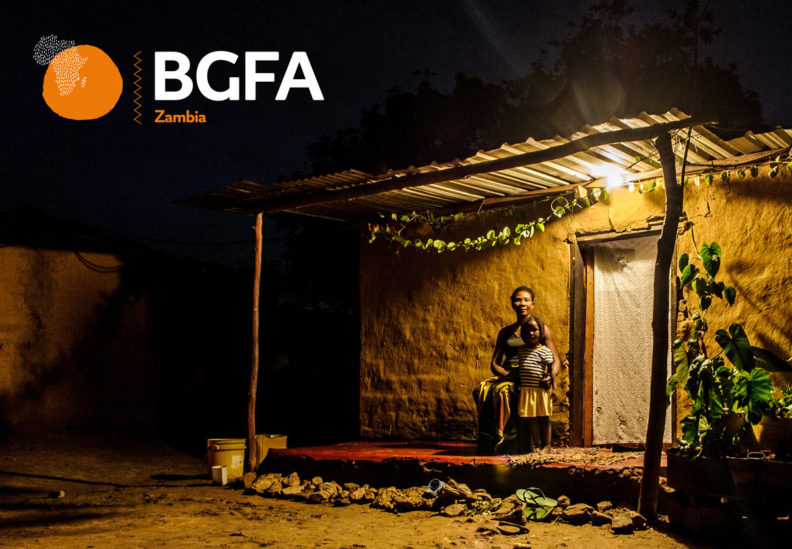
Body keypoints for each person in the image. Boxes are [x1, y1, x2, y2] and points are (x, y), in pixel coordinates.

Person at [473, 286, 561, 454]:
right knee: (480, 391)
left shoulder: (541, 329)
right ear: (512, 304)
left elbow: (555, 359)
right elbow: (495, 363)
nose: (522, 303)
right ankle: (493, 442)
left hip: (532, 377)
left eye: (526, 300)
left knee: (505, 393)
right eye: (518, 300)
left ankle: (513, 443)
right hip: (510, 375)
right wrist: (507, 375)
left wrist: (551, 375)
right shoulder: (505, 332)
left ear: (533, 304)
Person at [516, 315, 555, 453]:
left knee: (544, 418)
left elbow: (551, 370)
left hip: (541, 391)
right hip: (527, 391)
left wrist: (552, 385)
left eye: (535, 330)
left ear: (541, 332)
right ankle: (537, 445)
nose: (531, 333)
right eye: (527, 331)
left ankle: (547, 446)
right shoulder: (521, 351)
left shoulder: (544, 351)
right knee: (532, 419)